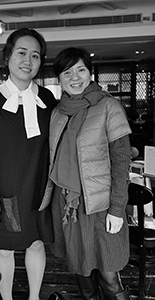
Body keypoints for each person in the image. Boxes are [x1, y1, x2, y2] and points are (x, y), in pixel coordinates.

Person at [0, 28, 57, 300]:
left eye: (35, 55)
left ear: (41, 62)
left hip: (39, 188)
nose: (28, 60)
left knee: (37, 243)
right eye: (21, 53)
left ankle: (34, 297)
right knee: (3, 248)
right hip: (2, 189)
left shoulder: (47, 99)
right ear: (8, 57)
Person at [41, 47, 132, 300]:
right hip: (66, 204)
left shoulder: (108, 106)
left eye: (80, 69)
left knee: (109, 276)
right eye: (67, 72)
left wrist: (117, 208)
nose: (75, 77)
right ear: (59, 79)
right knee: (80, 270)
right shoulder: (57, 113)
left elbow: (122, 161)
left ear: (89, 73)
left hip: (100, 206)